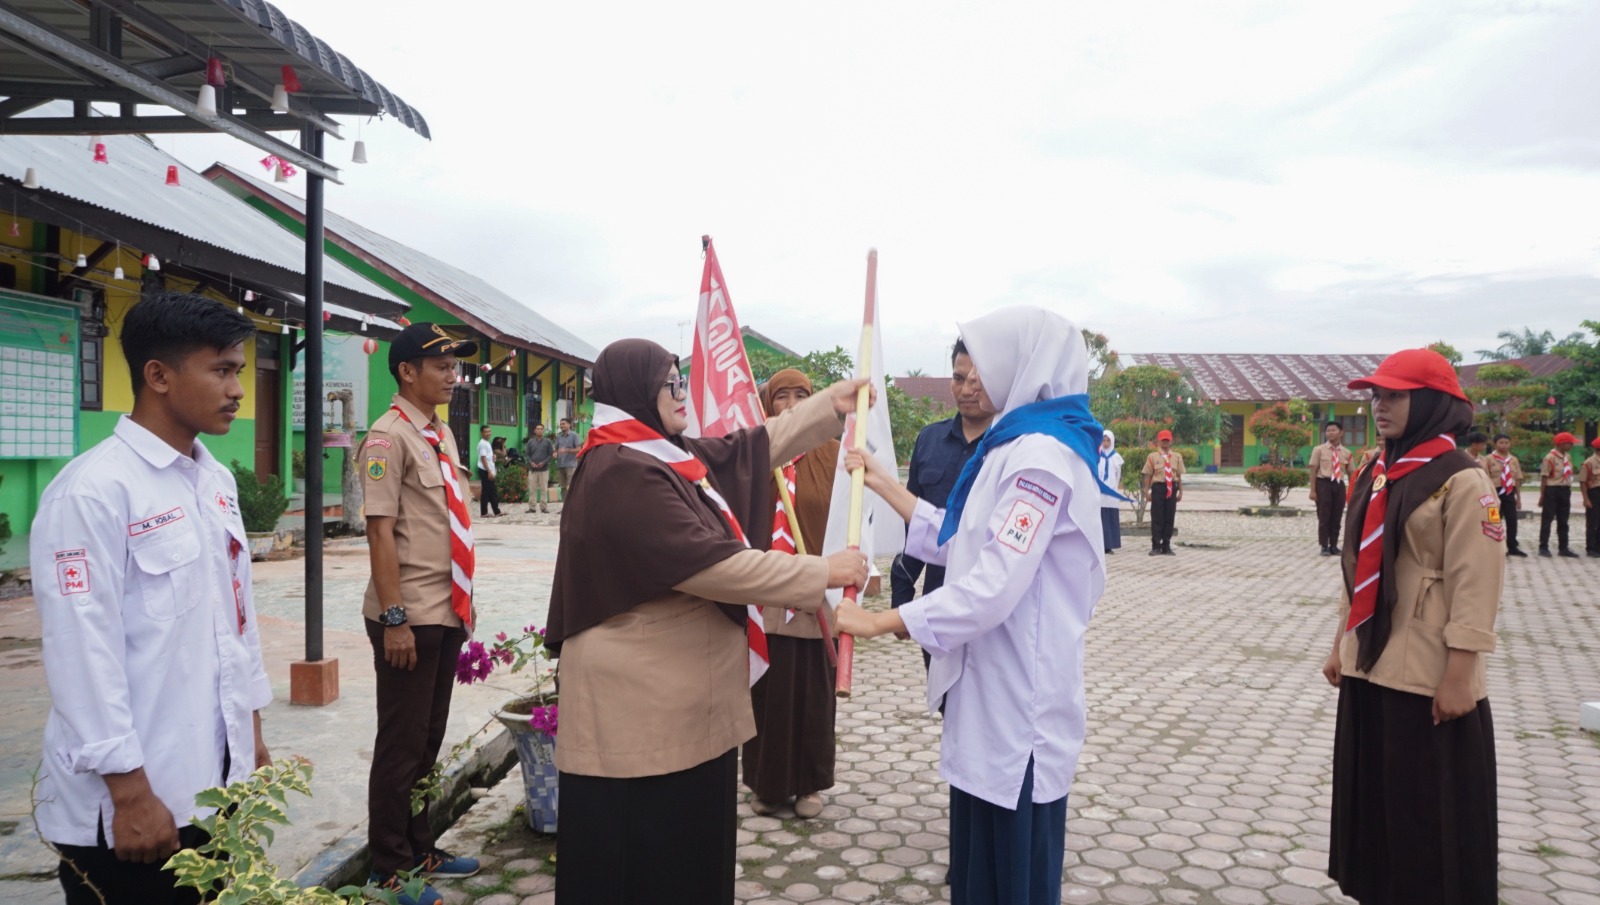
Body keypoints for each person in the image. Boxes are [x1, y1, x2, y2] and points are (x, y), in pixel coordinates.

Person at [546, 340, 870, 905]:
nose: (681, 395)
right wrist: (820, 572)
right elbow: (713, 563)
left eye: (681, 381)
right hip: (643, 712)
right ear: (636, 391)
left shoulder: (654, 452)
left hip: (676, 705)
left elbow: (745, 449)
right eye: (670, 384)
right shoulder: (622, 471)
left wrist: (829, 405)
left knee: (687, 856)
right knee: (647, 862)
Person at [834, 306, 1111, 905]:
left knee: (1011, 880)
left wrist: (879, 622)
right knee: (978, 876)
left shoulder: (1040, 456)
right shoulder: (1014, 445)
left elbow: (992, 584)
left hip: (1018, 708)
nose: (973, 377)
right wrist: (882, 480)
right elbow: (962, 539)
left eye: (987, 361)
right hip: (989, 701)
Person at [30, 292, 271, 905]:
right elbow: (81, 651)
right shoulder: (91, 493)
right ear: (157, 375)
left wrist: (252, 734)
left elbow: (236, 620)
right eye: (221, 370)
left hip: (213, 785)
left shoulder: (214, 479)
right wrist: (130, 791)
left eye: (238, 370)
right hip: (135, 810)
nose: (238, 389)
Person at [1320, 348, 1503, 905]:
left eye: (1395, 395)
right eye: (1377, 395)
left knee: (1425, 810)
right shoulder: (1378, 472)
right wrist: (1339, 645)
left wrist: (1460, 675)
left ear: (1432, 403)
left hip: (1425, 670)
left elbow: (1477, 583)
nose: (1380, 406)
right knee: (1374, 799)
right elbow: (1360, 566)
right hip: (1369, 659)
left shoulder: (1464, 481)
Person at [359, 323, 484, 905]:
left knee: (429, 740)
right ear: (407, 371)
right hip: (405, 614)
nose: (453, 376)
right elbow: (381, 536)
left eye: (456, 366)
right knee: (401, 743)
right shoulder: (387, 440)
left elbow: (448, 524)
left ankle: (420, 846)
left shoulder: (438, 433)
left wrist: (465, 597)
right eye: (442, 365)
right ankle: (388, 868)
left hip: (444, 609)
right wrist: (393, 619)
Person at [742, 369, 843, 820]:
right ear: (768, 404)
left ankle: (808, 784)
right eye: (782, 397)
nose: (793, 404)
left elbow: (848, 521)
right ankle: (767, 783)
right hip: (765, 591)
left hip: (816, 589)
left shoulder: (835, 456)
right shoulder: (753, 455)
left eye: (803, 395)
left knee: (811, 693)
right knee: (767, 690)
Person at [891, 339, 993, 665]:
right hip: (936, 606)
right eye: (958, 378)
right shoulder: (929, 441)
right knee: (947, 705)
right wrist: (901, 596)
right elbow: (915, 527)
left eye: (976, 381)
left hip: (989, 606)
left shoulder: (1013, 448)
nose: (965, 389)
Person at [1308, 421, 1353, 556]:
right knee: (1324, 515)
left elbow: (1351, 473)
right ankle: (1324, 545)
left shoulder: (1346, 452)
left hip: (1339, 485)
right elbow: (1313, 470)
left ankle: (1334, 545)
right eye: (1328, 431)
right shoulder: (1319, 450)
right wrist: (1313, 490)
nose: (1330, 433)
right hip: (1323, 484)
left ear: (1341, 433)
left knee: (1337, 516)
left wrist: (1352, 491)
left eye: (1333, 430)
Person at [1141, 429, 1185, 556]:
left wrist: (1181, 492)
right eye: (1163, 440)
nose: (1165, 442)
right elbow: (1148, 475)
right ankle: (1156, 546)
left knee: (1169, 517)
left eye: (1167, 440)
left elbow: (1179, 475)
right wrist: (1146, 491)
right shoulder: (1152, 457)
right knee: (1157, 517)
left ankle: (1166, 545)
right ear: (1158, 441)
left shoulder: (1177, 457)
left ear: (1170, 441)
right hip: (1158, 488)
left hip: (1172, 488)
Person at [1538, 431, 1578, 558]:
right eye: (1569, 443)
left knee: (1564, 520)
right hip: (1552, 490)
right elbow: (1544, 477)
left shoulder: (1567, 457)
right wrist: (1542, 495)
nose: (1572, 445)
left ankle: (1563, 547)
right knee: (1547, 520)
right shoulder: (1549, 458)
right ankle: (1543, 547)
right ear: (1561, 444)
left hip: (1565, 490)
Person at [1485, 434, 1527, 558]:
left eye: (1506, 442)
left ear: (1510, 444)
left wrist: (1518, 498)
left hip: (1509, 493)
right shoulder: (1488, 459)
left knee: (1512, 520)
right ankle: (1493, 546)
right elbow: (1485, 479)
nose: (1504, 445)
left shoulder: (1513, 460)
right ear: (1495, 444)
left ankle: (1512, 546)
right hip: (1494, 493)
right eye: (1501, 442)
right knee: (1494, 520)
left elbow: (1517, 479)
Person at [1098, 430, 1124, 554]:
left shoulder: (1116, 457)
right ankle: (1099, 544)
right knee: (1100, 518)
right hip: (1099, 492)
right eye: (1103, 440)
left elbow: (1118, 475)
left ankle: (1109, 545)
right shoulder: (1096, 455)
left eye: (1108, 440)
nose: (1106, 443)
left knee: (1110, 518)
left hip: (1111, 492)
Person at [523, 423, 555, 513]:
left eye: (541, 429)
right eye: (538, 429)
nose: (539, 430)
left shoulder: (548, 442)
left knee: (543, 489)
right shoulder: (530, 442)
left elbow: (550, 455)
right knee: (532, 489)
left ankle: (543, 507)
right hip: (532, 469)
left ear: (543, 430)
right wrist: (531, 462)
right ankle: (532, 507)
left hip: (543, 469)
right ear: (535, 430)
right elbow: (527, 454)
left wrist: (543, 462)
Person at [475, 425, 501, 518]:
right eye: (486, 432)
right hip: (485, 470)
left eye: (489, 431)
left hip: (487, 470)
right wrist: (489, 472)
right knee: (486, 492)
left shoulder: (487, 443)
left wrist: (493, 457)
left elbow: (487, 457)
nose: (488, 433)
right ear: (482, 433)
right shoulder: (482, 444)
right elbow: (483, 458)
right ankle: (484, 512)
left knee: (492, 491)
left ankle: (497, 511)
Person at [553, 417, 581, 503]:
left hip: (571, 465)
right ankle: (564, 507)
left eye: (564, 424)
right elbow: (556, 448)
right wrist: (555, 453)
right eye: (561, 424)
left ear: (569, 425)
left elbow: (579, 449)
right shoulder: (559, 436)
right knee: (563, 487)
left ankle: (572, 507)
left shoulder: (574, 436)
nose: (562, 425)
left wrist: (566, 450)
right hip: (561, 464)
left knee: (571, 486)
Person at [1582, 437, 1600, 558]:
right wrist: (1586, 499)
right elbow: (1583, 482)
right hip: (1594, 492)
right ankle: (1591, 547)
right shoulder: (1589, 462)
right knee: (1592, 522)